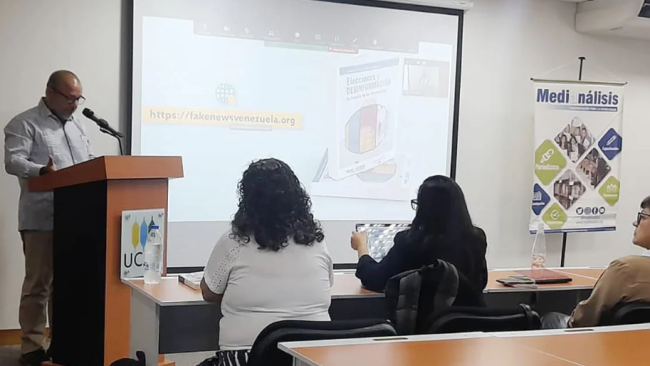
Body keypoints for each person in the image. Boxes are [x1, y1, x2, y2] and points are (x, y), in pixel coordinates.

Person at [199, 158, 333, 365]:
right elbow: (326, 285)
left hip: (247, 357)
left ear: (248, 199)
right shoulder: (315, 240)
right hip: (311, 357)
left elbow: (210, 292)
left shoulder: (235, 240)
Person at [4, 70, 94, 366]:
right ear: (50, 92)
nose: (75, 104)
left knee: (66, 285)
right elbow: (13, 160)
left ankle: (62, 341)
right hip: (41, 217)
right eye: (70, 98)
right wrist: (42, 170)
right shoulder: (24, 122)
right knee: (38, 284)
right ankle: (31, 346)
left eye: (78, 98)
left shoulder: (79, 127)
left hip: (75, 218)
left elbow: (88, 167)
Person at [350, 175, 488, 304]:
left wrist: (362, 247)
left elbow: (374, 279)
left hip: (423, 325)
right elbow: (481, 281)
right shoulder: (476, 239)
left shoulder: (411, 242)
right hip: (470, 324)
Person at [542, 196, 650, 329]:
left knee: (551, 318)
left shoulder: (626, 269)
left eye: (643, 217)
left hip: (605, 343)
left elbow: (584, 319)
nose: (635, 223)